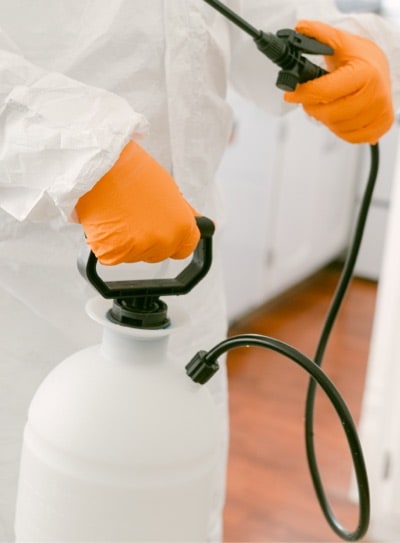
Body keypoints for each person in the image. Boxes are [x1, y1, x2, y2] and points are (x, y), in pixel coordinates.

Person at [0, 1, 399, 541]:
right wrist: (76, 154)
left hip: (189, 295)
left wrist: (348, 47)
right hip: (25, 303)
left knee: (175, 512)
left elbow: (262, 17)